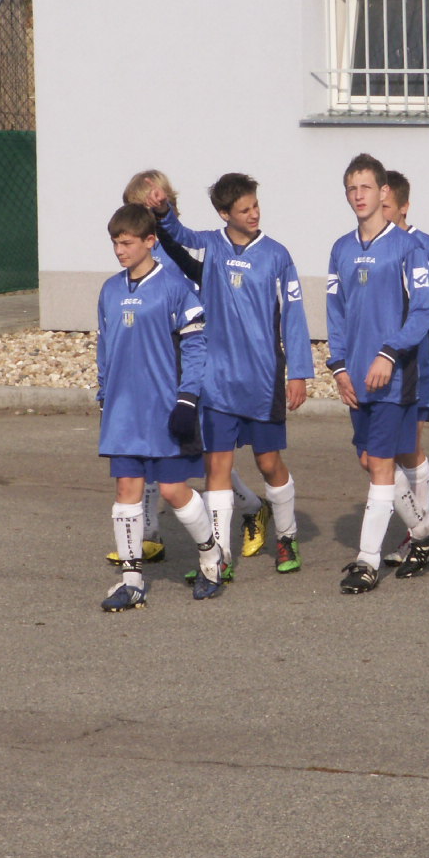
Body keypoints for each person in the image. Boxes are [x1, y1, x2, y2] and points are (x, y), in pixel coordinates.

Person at [143, 172, 314, 575]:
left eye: (255, 205)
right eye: (244, 209)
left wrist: (299, 373)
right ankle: (218, 557)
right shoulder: (210, 247)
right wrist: (163, 209)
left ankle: (287, 537)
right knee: (216, 467)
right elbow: (178, 233)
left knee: (269, 463)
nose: (254, 214)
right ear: (224, 214)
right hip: (217, 381)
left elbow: (294, 316)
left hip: (262, 379)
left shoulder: (277, 255)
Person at [114, 169, 267, 564]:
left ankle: (252, 508)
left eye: (148, 207)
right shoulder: (135, 257)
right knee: (147, 452)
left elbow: (193, 309)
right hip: (151, 364)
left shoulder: (180, 249)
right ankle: (149, 535)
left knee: (201, 456)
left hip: (188, 361)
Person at [96, 204, 227, 610]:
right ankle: (132, 580)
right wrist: (104, 395)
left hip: (165, 410)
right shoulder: (110, 290)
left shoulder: (174, 286)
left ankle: (211, 556)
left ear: (150, 241)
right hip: (122, 411)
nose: (119, 250)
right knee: (126, 491)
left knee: (173, 490)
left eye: (127, 242)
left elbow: (196, 346)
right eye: (115, 242)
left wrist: (188, 397)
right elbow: (104, 347)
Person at [326, 152, 429, 593]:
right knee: (368, 460)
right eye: (352, 189)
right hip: (355, 375)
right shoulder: (341, 248)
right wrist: (338, 366)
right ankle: (427, 532)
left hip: (395, 375)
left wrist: (389, 354)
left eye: (366, 188)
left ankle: (367, 561)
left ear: (384, 192)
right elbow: (335, 312)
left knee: (380, 464)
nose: (359, 196)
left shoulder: (408, 247)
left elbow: (424, 311)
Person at [378, 170, 429, 567]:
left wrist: (402, 333)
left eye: (386, 207)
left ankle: (420, 531)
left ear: (404, 207)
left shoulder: (424, 246)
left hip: (417, 361)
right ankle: (421, 527)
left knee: (408, 446)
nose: (379, 212)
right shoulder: (367, 245)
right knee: (389, 451)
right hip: (381, 364)